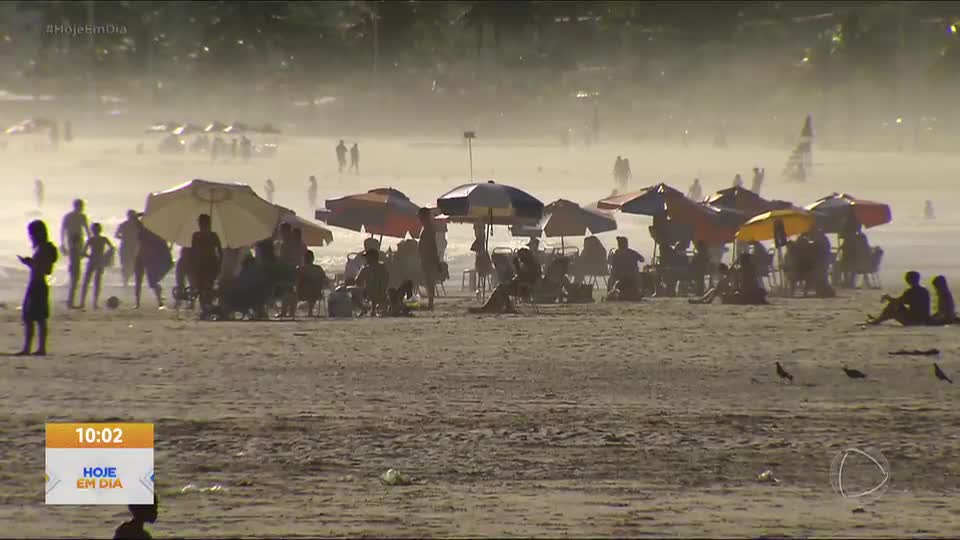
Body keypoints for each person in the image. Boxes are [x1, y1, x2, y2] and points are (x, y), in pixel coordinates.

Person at [16, 220, 58, 356]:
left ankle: (33, 348)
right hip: (38, 284)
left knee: (33, 317)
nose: (30, 236)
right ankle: (37, 348)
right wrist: (31, 263)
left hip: (38, 284)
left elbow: (45, 269)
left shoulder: (45, 248)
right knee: (36, 318)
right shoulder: (44, 248)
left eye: (31, 233)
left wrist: (30, 263)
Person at [469, 248, 541, 313]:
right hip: (521, 286)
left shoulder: (531, 266)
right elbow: (521, 276)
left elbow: (523, 277)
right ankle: (497, 306)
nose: (520, 259)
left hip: (524, 288)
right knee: (501, 288)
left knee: (502, 288)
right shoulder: (531, 264)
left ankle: (492, 307)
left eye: (520, 257)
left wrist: (516, 266)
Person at [866, 271, 931, 326]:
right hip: (924, 319)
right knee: (895, 306)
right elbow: (902, 301)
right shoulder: (925, 290)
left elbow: (898, 302)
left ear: (907, 280)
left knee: (892, 306)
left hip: (915, 321)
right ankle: (878, 319)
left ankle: (877, 320)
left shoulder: (911, 291)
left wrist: (888, 297)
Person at [134, 222, 173, 309]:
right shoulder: (148, 231)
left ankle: (159, 302)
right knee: (141, 281)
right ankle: (138, 303)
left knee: (151, 282)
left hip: (147, 258)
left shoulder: (150, 232)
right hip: (143, 257)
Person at [60, 199, 90, 309]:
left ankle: (70, 300)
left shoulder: (82, 217)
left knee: (76, 273)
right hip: (73, 246)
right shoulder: (69, 217)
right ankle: (70, 301)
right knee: (75, 274)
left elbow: (87, 232)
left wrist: (89, 246)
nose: (81, 208)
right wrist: (62, 244)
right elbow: (63, 230)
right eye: (80, 206)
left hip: (79, 246)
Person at [79, 223, 115, 309]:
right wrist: (105, 256)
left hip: (94, 261)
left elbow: (83, 252)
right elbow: (112, 248)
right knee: (95, 282)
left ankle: (85, 302)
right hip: (98, 261)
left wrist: (90, 256)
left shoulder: (92, 239)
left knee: (89, 282)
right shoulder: (102, 239)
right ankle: (92, 303)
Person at [191, 214, 223, 310]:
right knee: (201, 287)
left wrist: (219, 265)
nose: (200, 225)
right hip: (200, 265)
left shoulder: (212, 236)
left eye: (201, 223)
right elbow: (193, 251)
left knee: (208, 286)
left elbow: (220, 251)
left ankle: (207, 306)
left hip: (210, 264)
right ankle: (204, 307)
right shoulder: (196, 235)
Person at [417, 208, 442, 310]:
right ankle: (430, 302)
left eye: (420, 216)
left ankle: (430, 303)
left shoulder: (428, 228)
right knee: (428, 280)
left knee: (429, 281)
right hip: (426, 257)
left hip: (428, 258)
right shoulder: (426, 228)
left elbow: (432, 245)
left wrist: (436, 260)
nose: (419, 218)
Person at [355, 249, 389, 315]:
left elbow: (358, 282)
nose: (365, 259)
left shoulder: (366, 269)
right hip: (382, 293)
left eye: (366, 257)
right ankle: (372, 310)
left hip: (370, 294)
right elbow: (387, 279)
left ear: (370, 258)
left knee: (351, 292)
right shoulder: (383, 267)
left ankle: (364, 310)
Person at [296, 250, 328, 317]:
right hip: (316, 294)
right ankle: (310, 311)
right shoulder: (318, 268)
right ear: (313, 258)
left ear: (304, 258)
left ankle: (290, 311)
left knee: (291, 291)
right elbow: (325, 280)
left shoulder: (300, 269)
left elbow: (296, 281)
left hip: (301, 294)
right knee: (313, 288)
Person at [115, 210, 141, 288]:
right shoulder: (137, 225)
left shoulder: (125, 225)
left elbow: (116, 235)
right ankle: (126, 280)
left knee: (130, 264)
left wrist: (124, 238)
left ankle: (126, 280)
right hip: (129, 247)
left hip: (130, 247)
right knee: (127, 264)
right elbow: (116, 235)